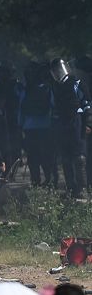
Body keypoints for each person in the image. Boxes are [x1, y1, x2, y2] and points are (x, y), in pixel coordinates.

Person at [49, 58, 88, 197]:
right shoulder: (54, 87)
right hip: (62, 123)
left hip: (76, 122)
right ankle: (71, 188)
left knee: (79, 158)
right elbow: (53, 108)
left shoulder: (75, 83)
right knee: (65, 158)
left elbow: (86, 104)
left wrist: (88, 123)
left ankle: (82, 189)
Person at [22, 62, 55, 187]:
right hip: (46, 127)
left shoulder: (27, 90)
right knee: (46, 156)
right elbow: (53, 105)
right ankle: (50, 181)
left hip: (29, 128)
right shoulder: (47, 89)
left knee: (33, 157)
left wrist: (21, 125)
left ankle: (35, 181)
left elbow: (22, 109)